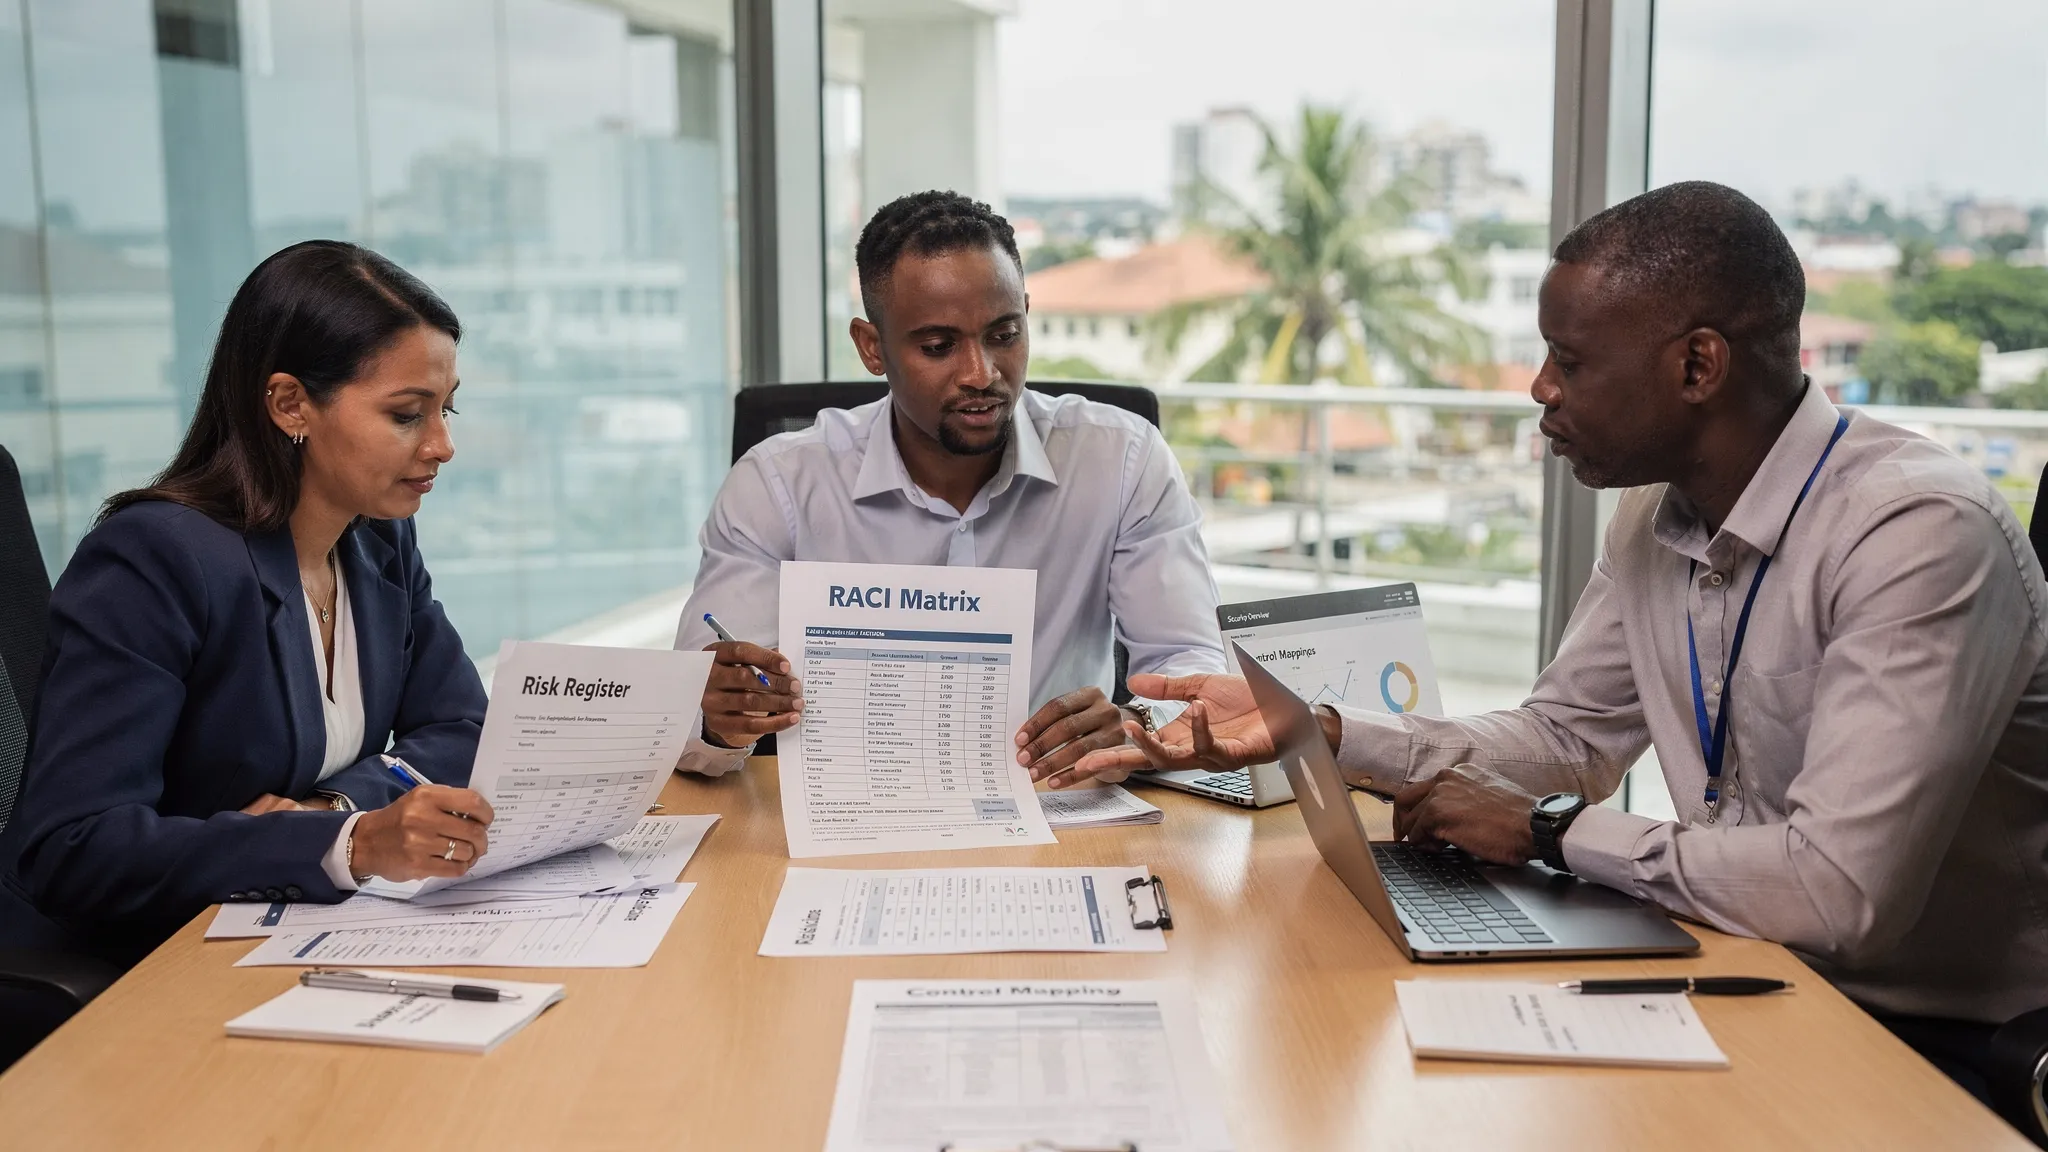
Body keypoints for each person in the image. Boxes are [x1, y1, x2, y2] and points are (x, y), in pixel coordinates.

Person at [1071, 182, 2048, 1101]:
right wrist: (1321, 730)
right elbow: (1567, 741)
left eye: (1568, 361)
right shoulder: (1653, 520)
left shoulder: (1916, 536)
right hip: (1736, 961)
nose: (1538, 388)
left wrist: (1549, 833)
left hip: (1933, 1039)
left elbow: (1839, 896)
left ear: (1695, 365)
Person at [0, 241, 496, 971]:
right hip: (155, 962)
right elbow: (72, 849)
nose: (443, 445)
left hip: (301, 938)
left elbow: (463, 728)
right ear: (291, 403)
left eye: (445, 410)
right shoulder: (153, 560)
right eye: (406, 414)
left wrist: (332, 813)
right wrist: (351, 843)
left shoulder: (377, 542)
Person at [673, 190, 1229, 782]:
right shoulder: (778, 483)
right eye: (938, 347)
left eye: (1004, 335)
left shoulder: (1123, 459)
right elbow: (691, 720)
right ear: (871, 347)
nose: (981, 374)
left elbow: (1192, 669)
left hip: (1060, 814)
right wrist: (718, 716)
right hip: (845, 815)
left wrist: (1137, 720)